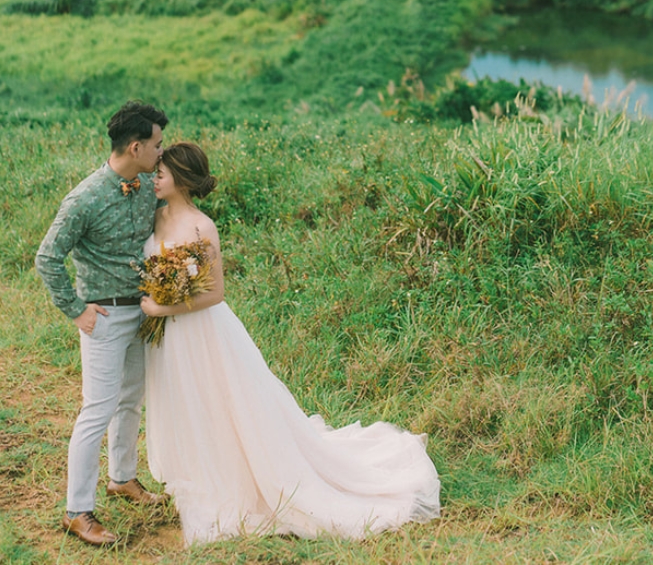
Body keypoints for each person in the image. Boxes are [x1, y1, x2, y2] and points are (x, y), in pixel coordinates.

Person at [141, 142, 441, 544]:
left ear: (182, 177)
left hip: (203, 332)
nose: (154, 177)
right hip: (171, 341)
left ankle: (237, 481)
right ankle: (194, 474)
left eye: (161, 172)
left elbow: (214, 294)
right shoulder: (153, 216)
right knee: (186, 404)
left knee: (221, 404)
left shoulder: (201, 227)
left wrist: (162, 308)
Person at [35, 101, 170, 547]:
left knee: (131, 400)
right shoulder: (85, 198)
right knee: (98, 409)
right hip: (104, 316)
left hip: (144, 312)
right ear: (135, 146)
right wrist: (77, 309)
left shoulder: (150, 183)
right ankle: (77, 511)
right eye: (156, 145)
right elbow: (47, 258)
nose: (160, 152)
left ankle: (123, 479)